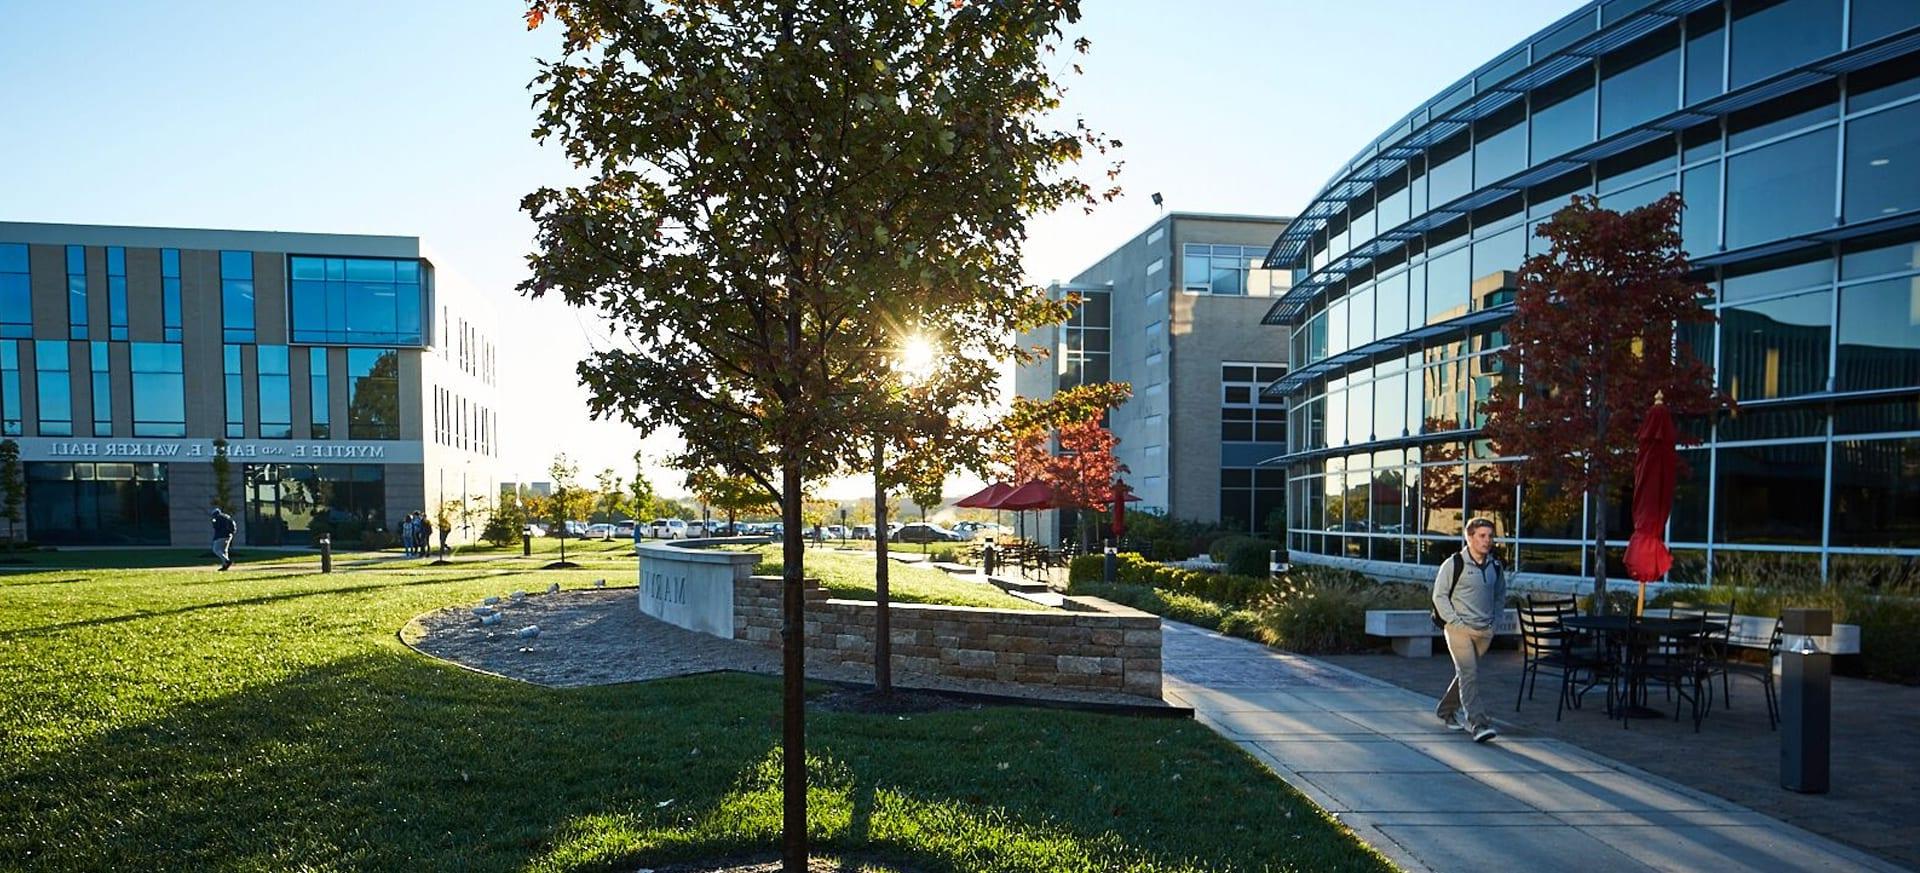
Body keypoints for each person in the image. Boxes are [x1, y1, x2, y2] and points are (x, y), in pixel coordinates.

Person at [1433, 517, 1506, 743]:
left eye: (1490, 536)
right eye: (1482, 536)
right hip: (1459, 631)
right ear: (1470, 537)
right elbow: (1439, 596)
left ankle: (1446, 710)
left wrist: (1495, 622)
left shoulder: (1495, 566)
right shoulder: (1454, 564)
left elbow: (1499, 595)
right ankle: (1478, 724)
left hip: (1484, 631)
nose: (1487, 541)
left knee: (1466, 674)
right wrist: (1455, 622)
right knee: (1470, 674)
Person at [210, 506, 237, 571]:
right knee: (224, 551)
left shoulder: (217, 518)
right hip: (229, 535)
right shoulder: (227, 517)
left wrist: (213, 522)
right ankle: (225, 565)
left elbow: (216, 527)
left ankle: (227, 561)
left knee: (216, 549)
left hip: (220, 536)